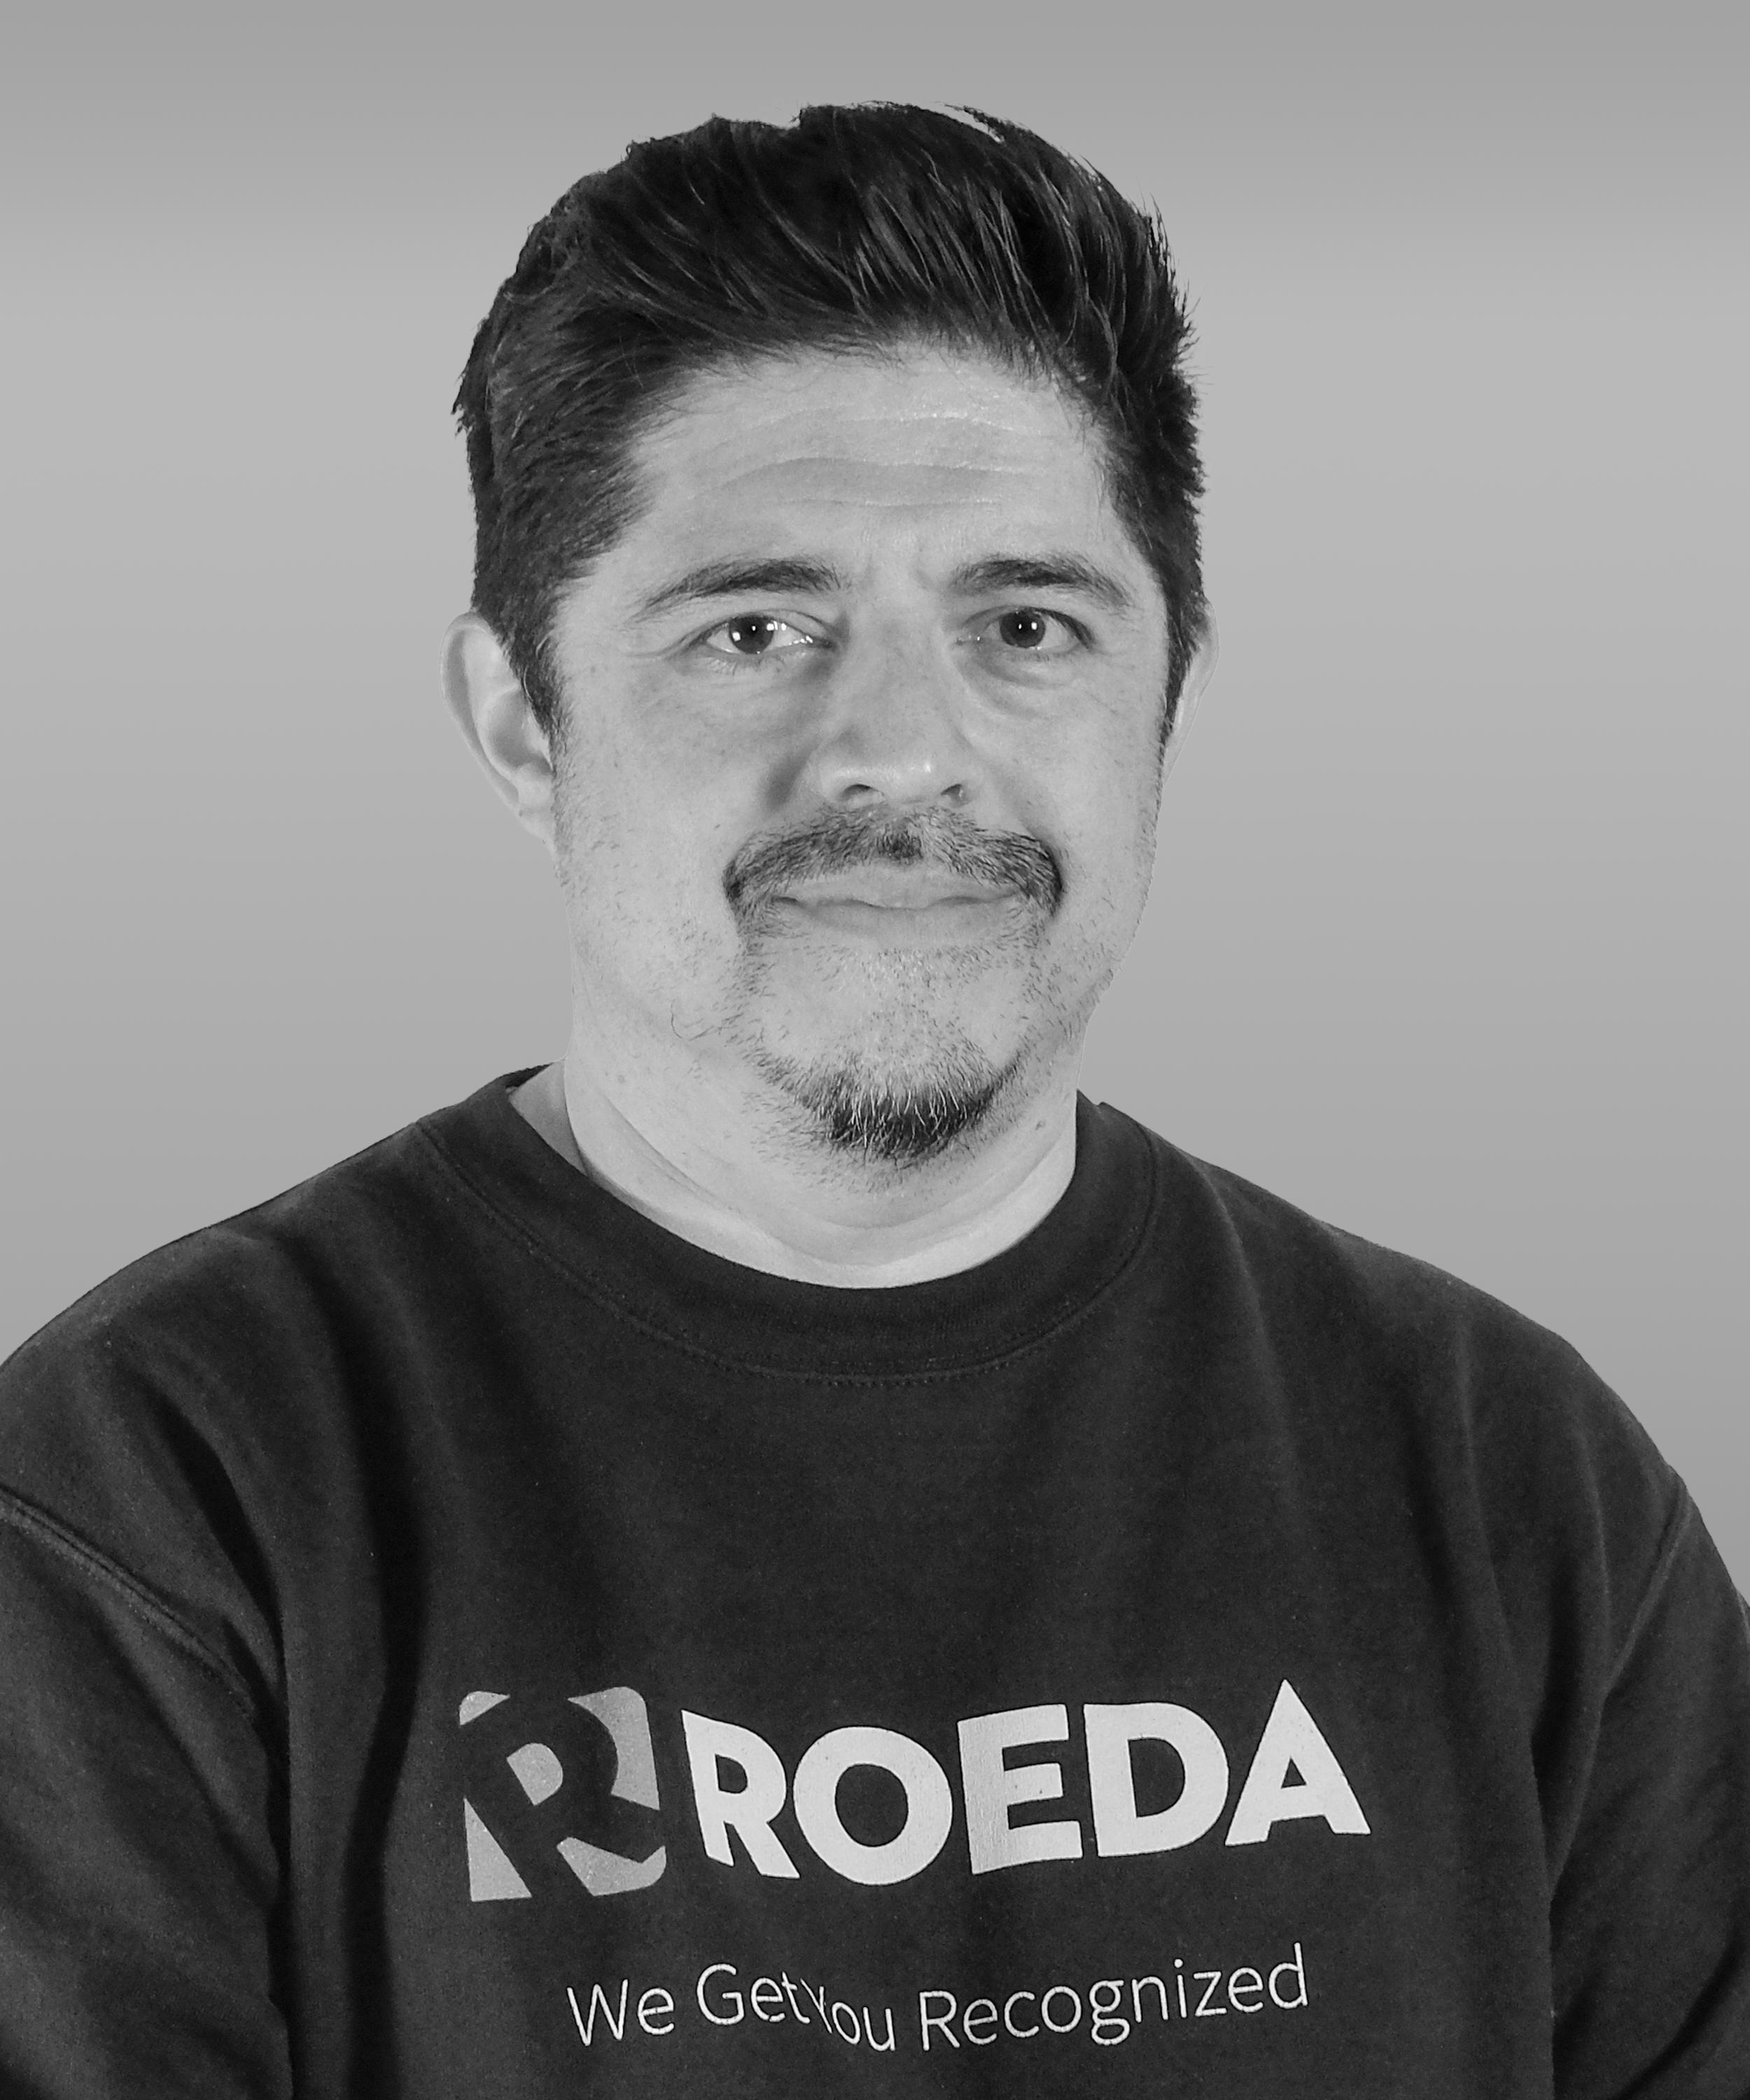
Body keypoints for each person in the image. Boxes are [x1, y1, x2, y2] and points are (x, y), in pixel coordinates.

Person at [0, 102, 1744, 2100]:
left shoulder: (1504, 1470)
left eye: (1026, 628)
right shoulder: (159, 1486)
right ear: (518, 721)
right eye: (757, 627)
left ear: (1161, 696)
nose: (903, 749)